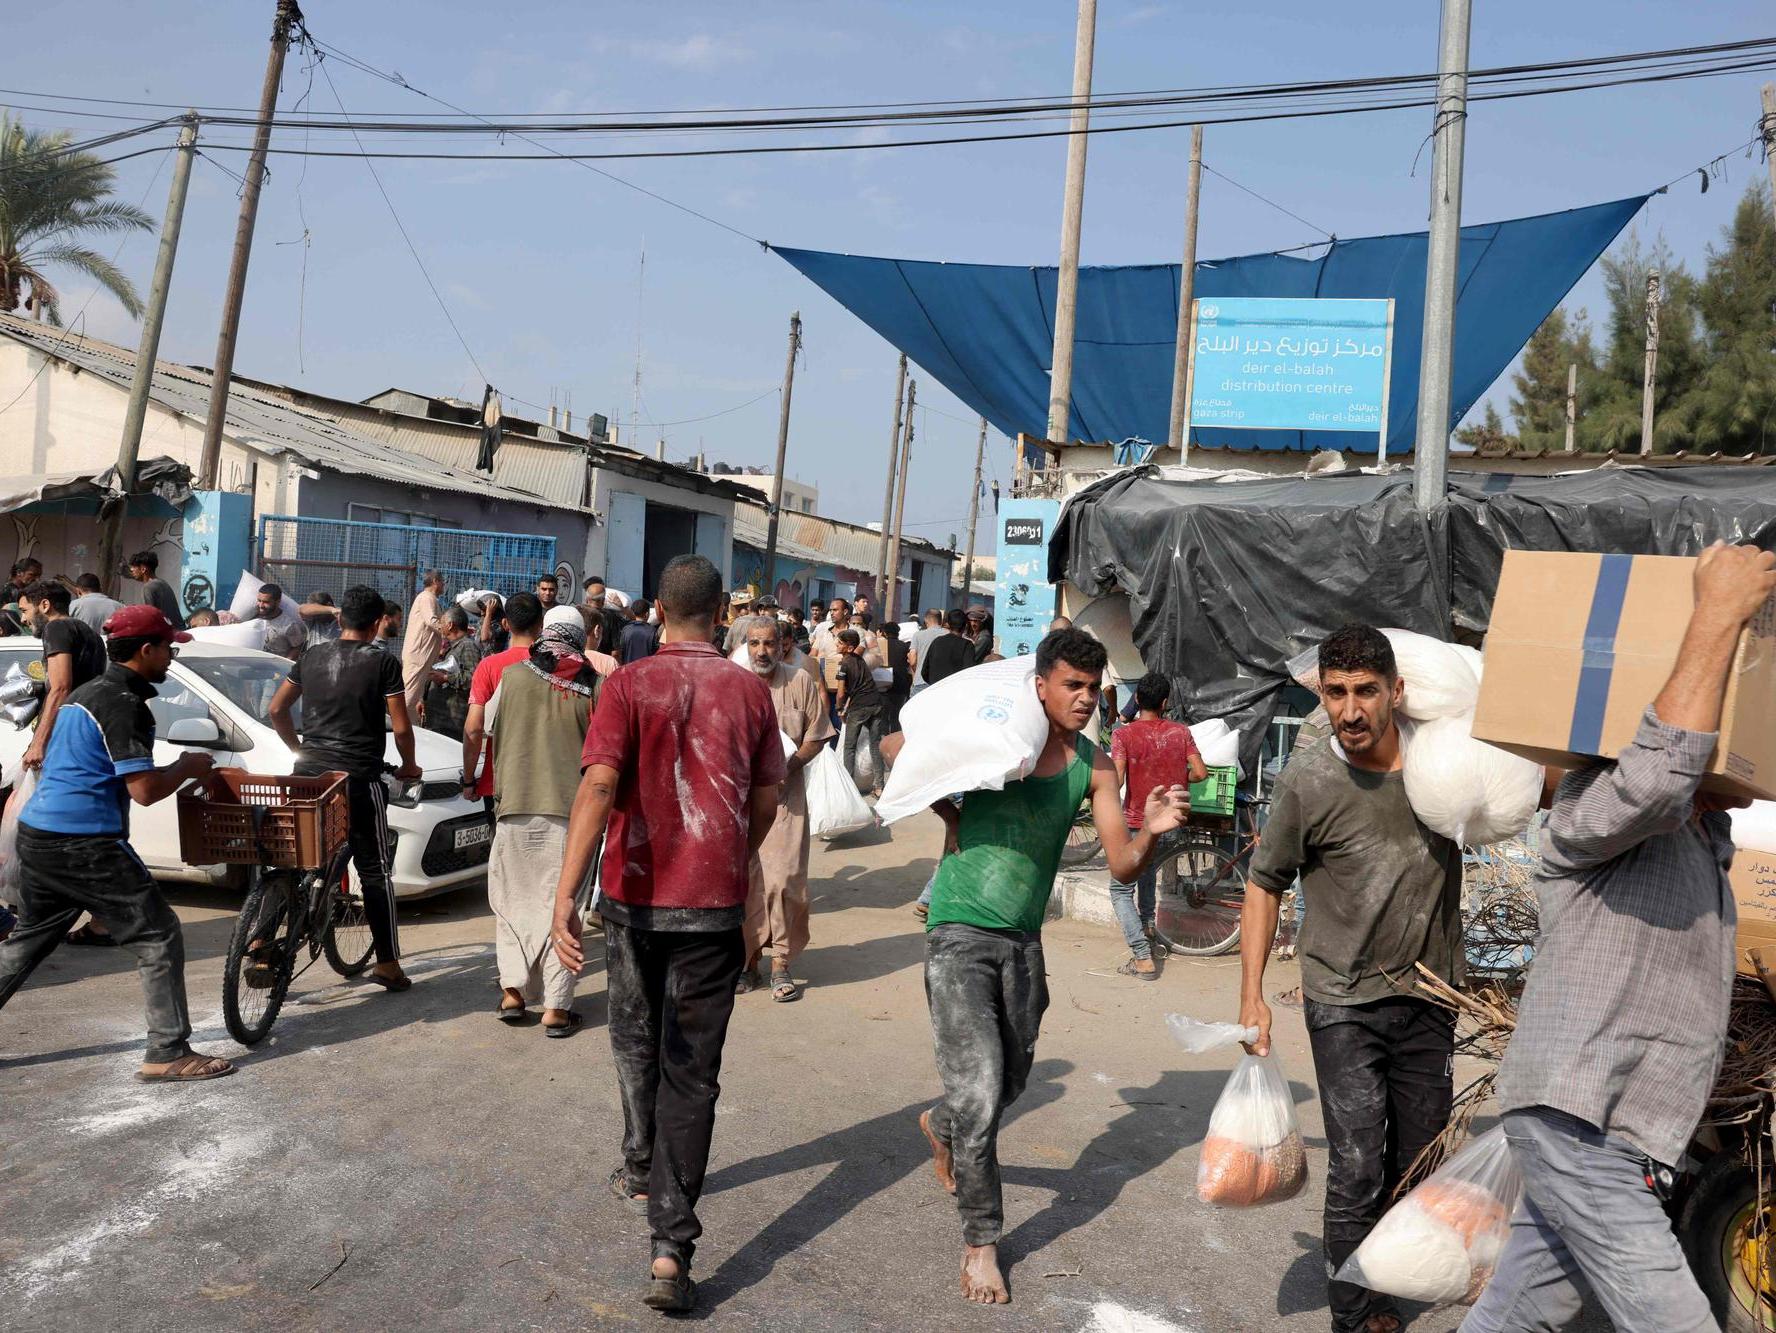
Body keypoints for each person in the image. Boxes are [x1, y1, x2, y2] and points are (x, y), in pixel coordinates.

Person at [1463, 542, 1776, 1333]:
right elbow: (1661, 769)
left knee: (1515, 1314)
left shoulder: (1692, 840)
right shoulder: (1585, 817)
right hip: (1583, 1128)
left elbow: (1681, 782)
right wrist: (1715, 612)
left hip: (1627, 1137)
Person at [912, 627, 1190, 1305]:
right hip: (956, 931)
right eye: (1072, 685)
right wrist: (955, 814)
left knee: (1007, 1080)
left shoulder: (1094, 766)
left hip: (1021, 943)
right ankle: (982, 1242)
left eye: (1093, 688)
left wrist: (1150, 829)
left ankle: (945, 1125)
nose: (1084, 698)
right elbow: (914, 760)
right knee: (981, 1089)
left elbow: (1122, 863)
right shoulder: (997, 741)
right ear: (1040, 685)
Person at [550, 553, 784, 1314]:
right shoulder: (749, 690)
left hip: (633, 899)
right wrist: (734, 855)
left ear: (658, 609)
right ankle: (669, 1246)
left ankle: (641, 1158)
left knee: (634, 1037)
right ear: (722, 613)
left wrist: (565, 892)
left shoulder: (626, 684)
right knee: (693, 1071)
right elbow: (767, 796)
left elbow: (598, 784)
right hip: (711, 906)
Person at [1239, 624, 1462, 1333]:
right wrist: (1251, 996)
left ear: (1397, 691)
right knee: (1358, 1161)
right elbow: (1263, 882)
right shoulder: (1309, 779)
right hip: (1341, 997)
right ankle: (1351, 1314)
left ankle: (1381, 1287)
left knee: (1415, 1161)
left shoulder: (1444, 770)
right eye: (1336, 692)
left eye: (1366, 690)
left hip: (1430, 995)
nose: (1351, 708)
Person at [0, 605, 234, 1082]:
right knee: (158, 933)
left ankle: (167, 1048)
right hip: (85, 843)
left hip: (41, 836)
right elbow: (144, 791)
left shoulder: (86, 693)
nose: (171, 657)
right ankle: (167, 1051)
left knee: (26, 943)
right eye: (168, 648)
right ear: (146, 651)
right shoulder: (124, 705)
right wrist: (188, 767)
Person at [269, 585, 422, 993]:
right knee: (375, 872)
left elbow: (276, 709)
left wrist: (299, 750)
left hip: (309, 775)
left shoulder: (310, 655)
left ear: (340, 619)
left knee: (294, 858)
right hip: (357, 777)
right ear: (376, 625)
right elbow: (402, 727)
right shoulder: (382, 662)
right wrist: (408, 766)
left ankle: (259, 938)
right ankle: (388, 965)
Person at [485, 610, 599, 1035]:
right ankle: (556, 1007)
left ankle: (512, 993)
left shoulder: (512, 677)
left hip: (514, 807)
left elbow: (486, 731)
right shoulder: (593, 686)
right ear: (580, 637)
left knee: (512, 904)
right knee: (565, 907)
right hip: (574, 814)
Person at [738, 617, 834, 1002]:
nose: (762, 651)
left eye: (769, 644)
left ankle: (781, 962)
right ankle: (748, 964)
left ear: (783, 645)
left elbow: (818, 735)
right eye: (755, 643)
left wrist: (786, 768)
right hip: (742, 802)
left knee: (784, 880)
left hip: (786, 799)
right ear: (746, 645)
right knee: (746, 884)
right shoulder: (734, 682)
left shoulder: (800, 682)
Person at [20, 580, 116, 946]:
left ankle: (42, 918)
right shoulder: (86, 633)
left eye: (26, 610)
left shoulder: (58, 628)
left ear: (44, 604)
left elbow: (60, 687)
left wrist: (39, 742)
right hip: (87, 738)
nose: (26, 618)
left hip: (70, 742)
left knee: (54, 832)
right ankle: (102, 919)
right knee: (82, 832)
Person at [1108, 672, 1207, 979]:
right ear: (1165, 703)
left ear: (1137, 699)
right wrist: (1178, 777)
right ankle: (1148, 926)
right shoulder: (1180, 732)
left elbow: (1118, 780)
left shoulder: (1124, 735)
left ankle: (1142, 956)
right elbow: (1201, 773)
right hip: (1172, 824)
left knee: (1120, 889)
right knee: (1148, 871)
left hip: (1138, 823)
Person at [461, 592, 544, 807]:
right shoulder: (555, 666)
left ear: (505, 623)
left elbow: (473, 728)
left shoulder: (490, 666)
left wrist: (469, 780)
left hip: (500, 782)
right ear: (541, 624)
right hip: (546, 785)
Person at [835, 628, 886, 796]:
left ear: (849, 648)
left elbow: (841, 693)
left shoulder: (844, 664)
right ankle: (879, 786)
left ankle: (848, 787)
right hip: (876, 703)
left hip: (860, 708)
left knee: (849, 747)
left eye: (840, 643)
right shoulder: (860, 660)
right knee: (875, 745)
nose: (837, 644)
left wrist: (839, 708)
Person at [422, 605, 482, 741]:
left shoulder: (467, 646)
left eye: (442, 623)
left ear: (450, 625)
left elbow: (473, 679)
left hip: (451, 724)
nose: (440, 626)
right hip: (439, 720)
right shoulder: (452, 647)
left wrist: (446, 678)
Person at [401, 570, 450, 721]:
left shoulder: (431, 599)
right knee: (409, 696)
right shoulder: (426, 598)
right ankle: (398, 727)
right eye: (442, 581)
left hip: (424, 657)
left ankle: (411, 728)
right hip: (418, 656)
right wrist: (448, 630)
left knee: (417, 698)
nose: (444, 585)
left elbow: (440, 622)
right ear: (435, 581)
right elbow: (432, 621)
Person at [127, 551, 184, 630]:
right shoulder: (163, 583)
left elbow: (148, 618)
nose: (131, 570)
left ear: (143, 569)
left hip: (167, 636)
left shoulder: (148, 587)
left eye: (134, 567)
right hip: (177, 633)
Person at [920, 610, 975, 687]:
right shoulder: (967, 645)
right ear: (965, 626)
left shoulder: (937, 642)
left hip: (935, 691)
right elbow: (969, 672)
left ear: (948, 624)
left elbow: (924, 672)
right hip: (955, 692)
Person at [881, 620, 913, 732]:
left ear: (884, 633)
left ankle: (883, 742)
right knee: (896, 717)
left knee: (883, 718)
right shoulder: (904, 647)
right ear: (898, 633)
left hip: (883, 685)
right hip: (900, 685)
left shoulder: (881, 646)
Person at [910, 608, 946, 696]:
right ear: (941, 620)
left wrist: (918, 671)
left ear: (926, 620)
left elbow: (912, 660)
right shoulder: (948, 634)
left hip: (920, 682)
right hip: (942, 683)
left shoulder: (918, 635)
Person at [621, 598, 659, 663]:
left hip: (629, 669)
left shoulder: (626, 630)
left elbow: (621, 651)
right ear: (647, 614)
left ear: (633, 612)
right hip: (646, 670)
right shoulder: (653, 631)